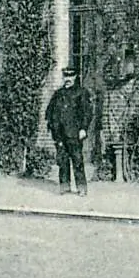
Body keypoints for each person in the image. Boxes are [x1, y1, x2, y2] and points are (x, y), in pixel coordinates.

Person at [45, 67, 93, 195]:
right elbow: (49, 112)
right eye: (65, 76)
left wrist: (83, 128)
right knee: (62, 161)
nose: (68, 79)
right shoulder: (58, 94)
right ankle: (64, 186)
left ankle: (81, 188)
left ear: (75, 77)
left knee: (77, 160)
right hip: (59, 134)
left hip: (74, 133)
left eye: (70, 76)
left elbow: (87, 113)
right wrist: (52, 126)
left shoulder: (81, 93)